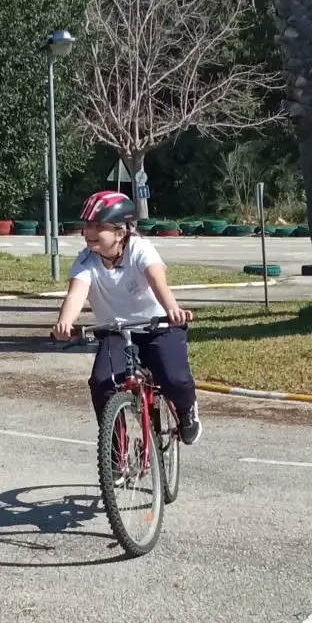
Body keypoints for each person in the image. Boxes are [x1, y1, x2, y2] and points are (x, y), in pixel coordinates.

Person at [50, 190, 202, 443]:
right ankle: (115, 444)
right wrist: (65, 322)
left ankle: (187, 409)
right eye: (87, 225)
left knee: (174, 378)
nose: (89, 231)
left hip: (158, 326)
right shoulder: (86, 260)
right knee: (102, 382)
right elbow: (76, 294)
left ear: (120, 233)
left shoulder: (140, 249)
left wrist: (172, 309)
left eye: (98, 226)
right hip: (116, 332)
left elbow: (157, 280)